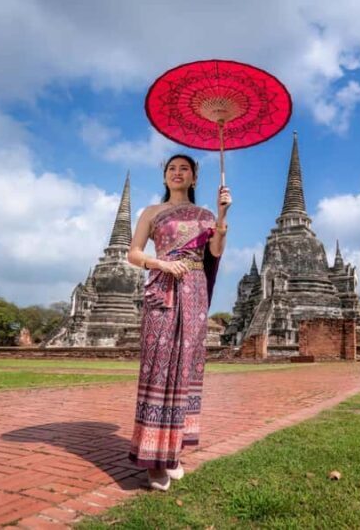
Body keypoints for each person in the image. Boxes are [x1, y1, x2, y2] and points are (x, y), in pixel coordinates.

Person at [126, 154, 231, 491]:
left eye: (184, 168)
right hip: (162, 287)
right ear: (165, 176)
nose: (177, 172)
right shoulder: (152, 213)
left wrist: (223, 213)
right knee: (159, 366)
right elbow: (133, 253)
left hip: (195, 290)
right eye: (171, 168)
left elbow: (215, 251)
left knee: (185, 367)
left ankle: (171, 452)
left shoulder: (206, 215)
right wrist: (161, 264)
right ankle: (153, 458)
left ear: (194, 177)